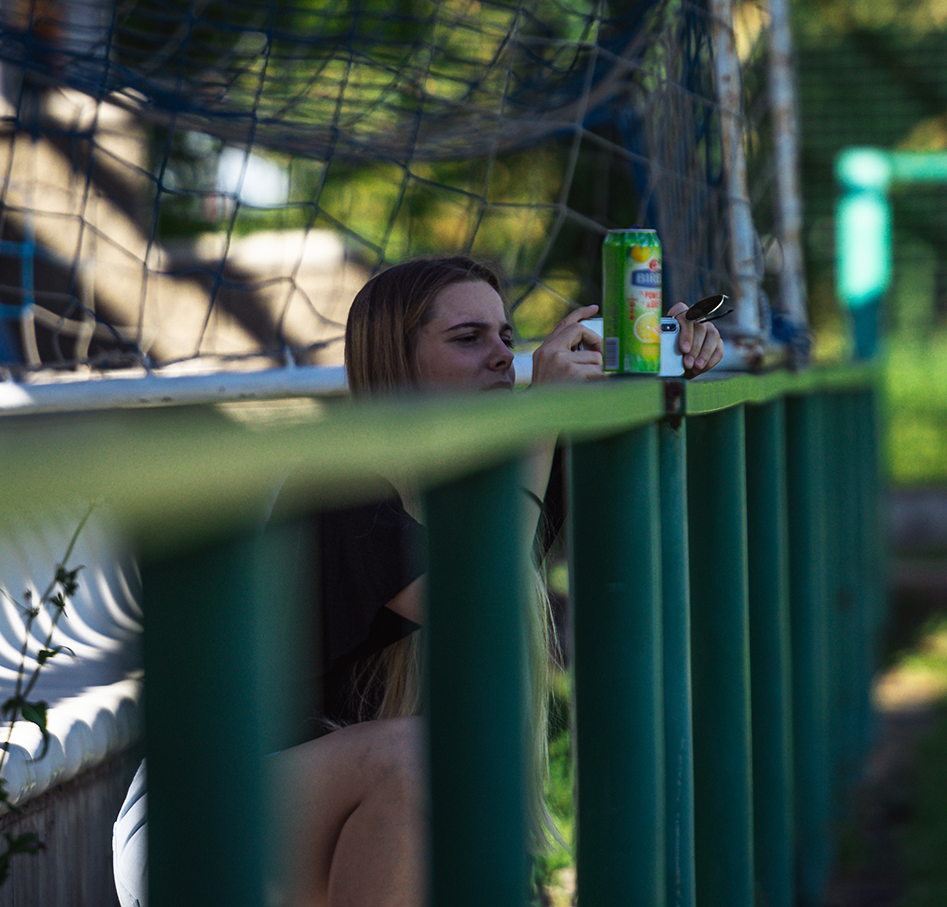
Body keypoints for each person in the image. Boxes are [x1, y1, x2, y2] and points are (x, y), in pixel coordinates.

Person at [113, 255, 723, 907]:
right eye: (467, 338)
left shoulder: (494, 483)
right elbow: (473, 599)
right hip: (203, 830)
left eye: (506, 338)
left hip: (350, 819)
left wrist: (661, 367)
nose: (500, 357)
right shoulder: (338, 485)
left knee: (422, 770)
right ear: (392, 362)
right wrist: (543, 416)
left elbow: (641, 510)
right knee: (416, 758)